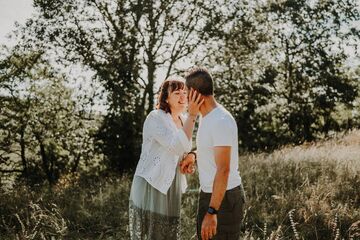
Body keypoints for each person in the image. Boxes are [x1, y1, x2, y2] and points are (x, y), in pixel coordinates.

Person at [128, 76, 203, 240]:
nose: (183, 97)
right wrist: (192, 116)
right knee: (153, 233)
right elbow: (176, 145)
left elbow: (183, 150)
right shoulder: (155, 117)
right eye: (177, 93)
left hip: (173, 181)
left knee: (169, 233)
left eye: (185, 92)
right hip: (152, 181)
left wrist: (189, 158)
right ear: (166, 98)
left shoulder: (184, 120)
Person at [181, 67, 246, 240]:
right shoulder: (206, 117)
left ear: (194, 93)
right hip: (209, 194)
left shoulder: (220, 120)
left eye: (187, 92)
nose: (185, 98)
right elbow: (211, 149)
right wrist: (194, 155)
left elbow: (223, 169)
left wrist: (212, 212)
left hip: (223, 200)